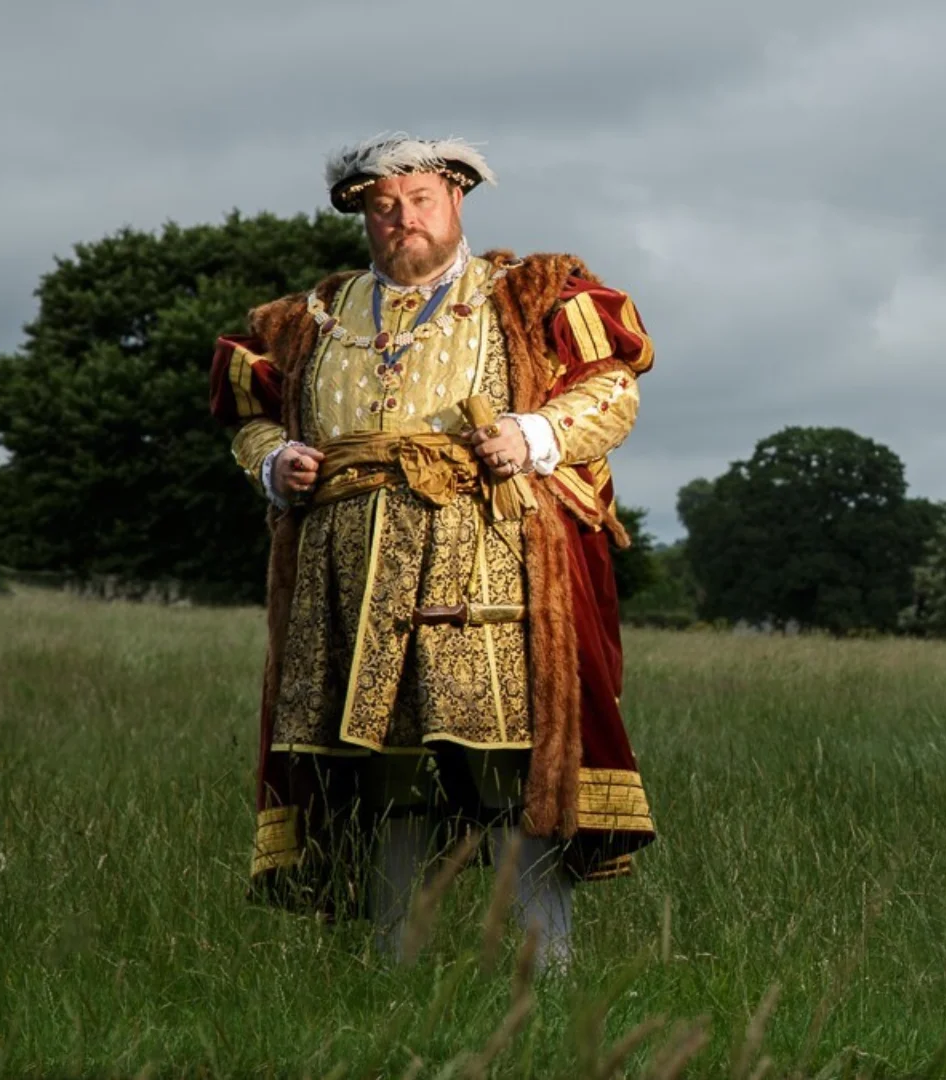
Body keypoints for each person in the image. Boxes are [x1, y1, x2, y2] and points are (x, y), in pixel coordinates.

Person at [209, 134, 656, 970]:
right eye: (383, 207)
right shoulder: (310, 319)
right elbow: (251, 418)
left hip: (491, 577)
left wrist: (535, 433)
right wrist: (274, 459)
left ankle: (543, 971)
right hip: (344, 584)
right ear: (361, 216)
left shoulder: (529, 295)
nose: (402, 219)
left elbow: (613, 389)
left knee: (512, 772)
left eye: (419, 200)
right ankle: (392, 969)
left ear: (457, 199)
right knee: (383, 779)